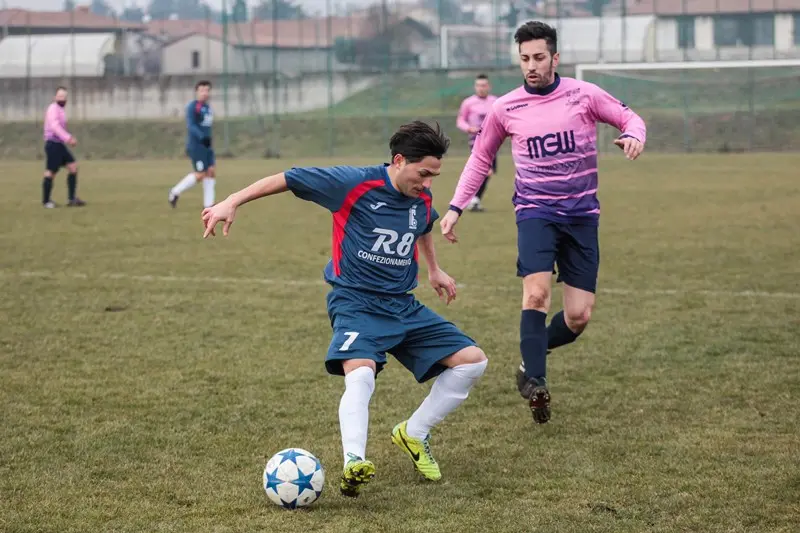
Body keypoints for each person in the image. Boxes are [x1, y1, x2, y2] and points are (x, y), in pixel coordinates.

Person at [201, 121, 488, 497]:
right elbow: (290, 177)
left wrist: (433, 269)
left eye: (435, 175)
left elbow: (423, 226)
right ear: (399, 161)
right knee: (361, 373)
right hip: (356, 301)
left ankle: (414, 433)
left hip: (404, 305)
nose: (429, 183)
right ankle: (355, 460)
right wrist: (232, 200)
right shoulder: (353, 183)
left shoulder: (421, 196)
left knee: (472, 361)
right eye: (423, 174)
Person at [440, 21, 646, 425]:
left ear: (555, 57)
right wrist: (455, 207)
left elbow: (628, 117)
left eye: (537, 58)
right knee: (535, 294)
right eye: (523, 59)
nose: (530, 66)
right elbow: (480, 158)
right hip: (535, 212)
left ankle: (529, 358)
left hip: (582, 215)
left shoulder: (583, 95)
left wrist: (633, 134)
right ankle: (536, 382)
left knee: (578, 317)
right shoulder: (506, 108)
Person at [168, 80, 216, 209]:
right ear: (196, 92)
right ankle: (174, 191)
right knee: (201, 174)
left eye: (207, 90)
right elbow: (191, 125)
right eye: (202, 90)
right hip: (197, 146)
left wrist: (209, 141)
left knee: (211, 171)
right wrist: (202, 137)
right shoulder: (193, 107)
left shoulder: (208, 108)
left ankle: (209, 204)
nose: (205, 93)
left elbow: (207, 127)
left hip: (207, 146)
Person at [456, 74, 498, 212]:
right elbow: (460, 120)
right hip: (475, 142)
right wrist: (469, 128)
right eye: (479, 85)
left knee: (487, 171)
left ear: (489, 86)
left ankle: (473, 199)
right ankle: (472, 199)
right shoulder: (468, 103)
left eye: (484, 85)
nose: (481, 88)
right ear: (475, 87)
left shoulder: (495, 101)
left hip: (492, 142)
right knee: (485, 170)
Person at [42, 87, 85, 208]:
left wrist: (65, 139)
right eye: (60, 96)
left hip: (59, 145)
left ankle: (71, 199)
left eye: (64, 97)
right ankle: (46, 201)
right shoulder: (52, 109)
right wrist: (69, 138)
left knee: (72, 167)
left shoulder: (60, 110)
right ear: (55, 97)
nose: (62, 99)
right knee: (51, 172)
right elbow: (55, 126)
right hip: (53, 144)